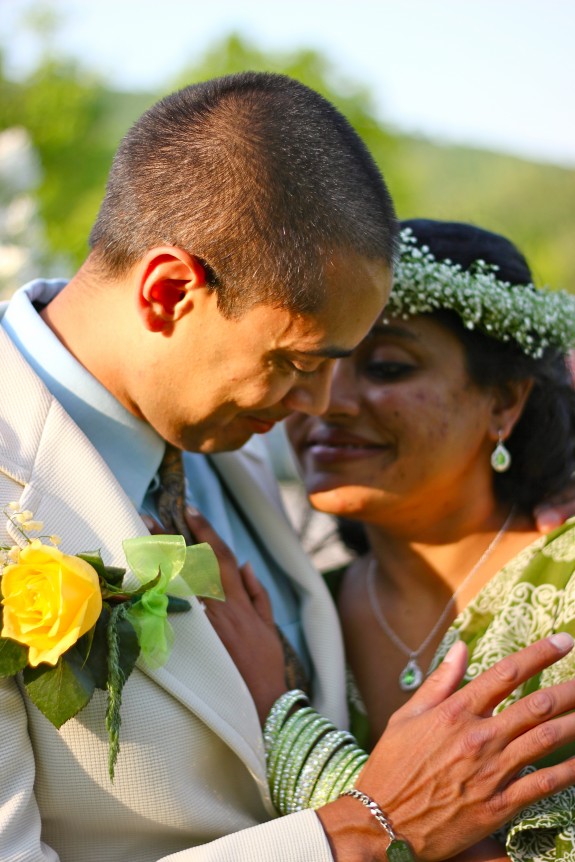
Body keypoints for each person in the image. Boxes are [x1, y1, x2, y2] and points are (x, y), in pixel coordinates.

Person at [1, 70, 575, 862]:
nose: (320, 407)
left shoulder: (225, 436)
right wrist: (360, 831)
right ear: (169, 293)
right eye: (299, 363)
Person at [276, 219, 575, 860]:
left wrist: (294, 746)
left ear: (504, 403)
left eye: (386, 366)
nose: (329, 402)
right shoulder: (294, 605)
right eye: (317, 361)